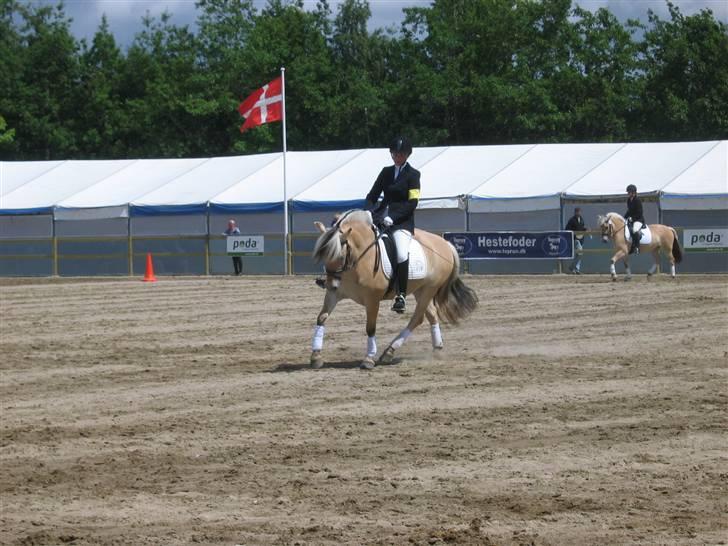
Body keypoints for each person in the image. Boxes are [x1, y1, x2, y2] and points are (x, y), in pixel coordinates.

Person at [365, 137, 421, 313]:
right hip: (379, 218)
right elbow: (372, 195)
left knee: (401, 253)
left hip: (401, 222)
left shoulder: (414, 175)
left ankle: (401, 295)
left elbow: (412, 203)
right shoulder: (385, 172)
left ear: (407, 155)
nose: (397, 156)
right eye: (395, 153)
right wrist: (368, 210)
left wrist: (394, 217)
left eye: (401, 154)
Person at [565, 207, 587, 274]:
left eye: (579, 211)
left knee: (579, 254)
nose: (578, 213)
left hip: (581, 239)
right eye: (577, 211)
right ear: (575, 212)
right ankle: (572, 267)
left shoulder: (582, 219)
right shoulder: (571, 220)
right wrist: (573, 235)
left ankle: (576, 269)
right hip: (575, 239)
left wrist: (585, 229)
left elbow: (582, 228)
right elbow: (567, 229)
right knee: (580, 253)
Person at [624, 184, 645, 255]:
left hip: (638, 219)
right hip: (631, 220)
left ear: (634, 192)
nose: (629, 193)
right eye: (628, 192)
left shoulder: (637, 200)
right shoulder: (629, 200)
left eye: (630, 192)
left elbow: (640, 212)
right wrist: (624, 217)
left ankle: (637, 247)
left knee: (634, 230)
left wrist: (632, 218)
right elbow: (629, 211)